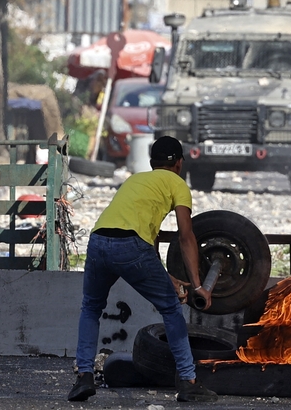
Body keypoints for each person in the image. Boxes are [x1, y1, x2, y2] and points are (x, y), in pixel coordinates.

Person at [68, 136, 218, 403]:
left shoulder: (135, 180)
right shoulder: (177, 183)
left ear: (151, 162)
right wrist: (197, 286)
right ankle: (188, 381)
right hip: (130, 245)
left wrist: (166, 277)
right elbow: (186, 236)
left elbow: (148, 242)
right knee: (171, 309)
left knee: (91, 308)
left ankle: (83, 377)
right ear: (180, 163)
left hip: (99, 241)